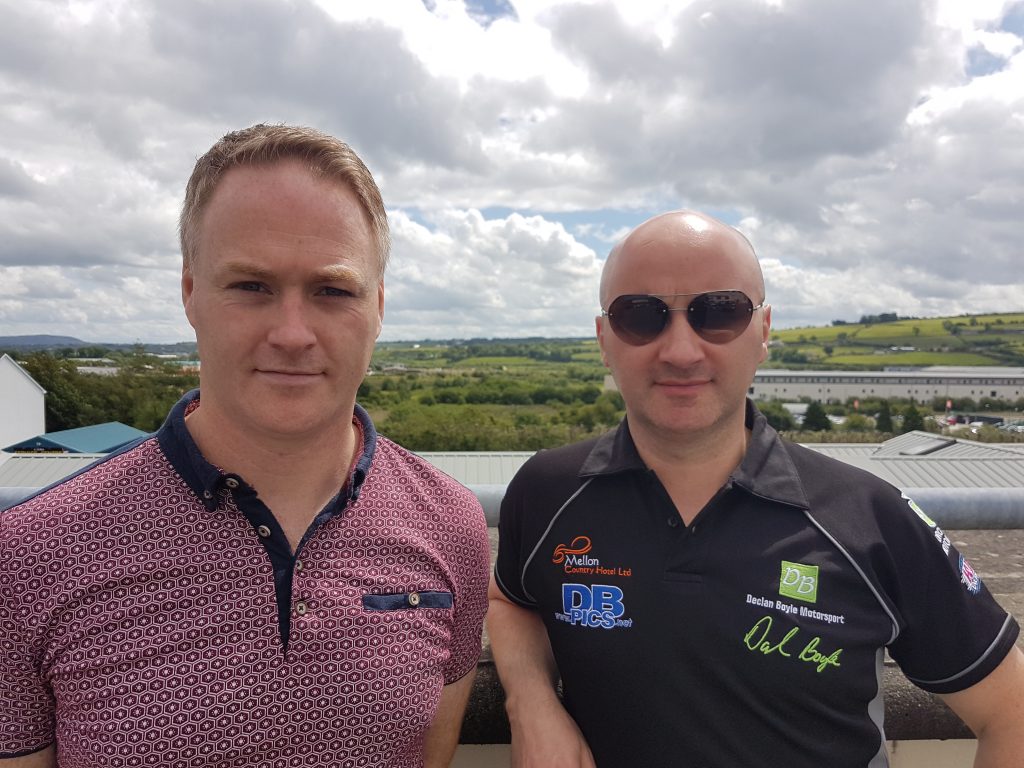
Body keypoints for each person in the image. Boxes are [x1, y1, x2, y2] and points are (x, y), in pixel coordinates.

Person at [1, 124, 491, 767]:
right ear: (190, 294)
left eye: (332, 290)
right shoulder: (31, 552)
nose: (292, 333)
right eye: (251, 286)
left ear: (377, 307)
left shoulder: (450, 524)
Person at [488, 210, 1024, 767]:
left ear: (763, 331)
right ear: (604, 339)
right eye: (640, 316)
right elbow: (510, 600)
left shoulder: (869, 518)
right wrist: (529, 702)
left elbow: (1011, 711)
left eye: (720, 311)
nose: (680, 351)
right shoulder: (548, 492)